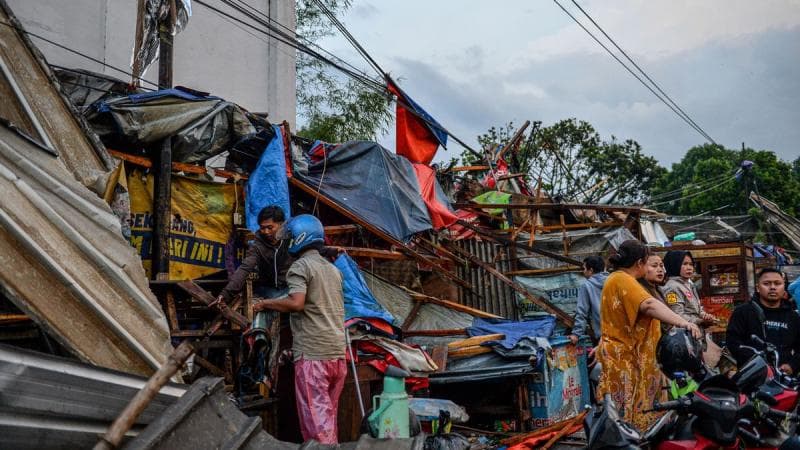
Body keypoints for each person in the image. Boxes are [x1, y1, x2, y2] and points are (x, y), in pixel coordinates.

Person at [253, 214, 347, 444]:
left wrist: (264, 303)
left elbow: (297, 302)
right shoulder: (332, 269)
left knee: (317, 426)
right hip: (336, 353)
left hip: (314, 356)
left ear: (298, 238)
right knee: (328, 418)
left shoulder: (300, 267)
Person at [597, 240, 701, 432]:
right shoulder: (622, 279)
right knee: (625, 415)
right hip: (624, 357)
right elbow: (649, 305)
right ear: (639, 263)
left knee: (638, 410)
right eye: (649, 263)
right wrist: (683, 322)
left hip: (630, 355)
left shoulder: (619, 279)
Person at [726, 268, 800, 375]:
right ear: (757, 288)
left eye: (777, 283)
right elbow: (733, 342)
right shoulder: (743, 312)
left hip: (785, 379)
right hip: (751, 376)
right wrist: (758, 364)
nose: (773, 287)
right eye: (767, 283)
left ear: (784, 287)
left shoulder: (793, 316)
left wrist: (792, 365)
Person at [661, 250, 716, 327]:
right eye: (685, 264)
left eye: (691, 264)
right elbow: (677, 315)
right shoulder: (671, 288)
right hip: (684, 334)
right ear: (674, 265)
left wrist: (705, 316)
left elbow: (696, 310)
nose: (689, 268)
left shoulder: (689, 284)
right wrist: (700, 321)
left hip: (694, 332)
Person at [569, 256, 609, 345]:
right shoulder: (614, 281)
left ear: (590, 270)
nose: (583, 272)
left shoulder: (587, 286)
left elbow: (582, 311)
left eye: (584, 269)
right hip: (619, 334)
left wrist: (576, 334)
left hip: (602, 337)